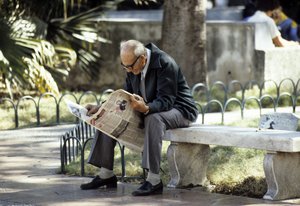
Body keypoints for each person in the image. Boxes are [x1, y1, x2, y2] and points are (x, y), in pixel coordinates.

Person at [80, 40, 198, 196]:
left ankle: (154, 180)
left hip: (180, 110)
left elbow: (167, 100)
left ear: (143, 58)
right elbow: (125, 96)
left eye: (130, 66)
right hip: (151, 109)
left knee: (153, 119)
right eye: (125, 67)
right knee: (108, 115)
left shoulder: (165, 63)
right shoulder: (131, 68)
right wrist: (101, 107)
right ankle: (106, 174)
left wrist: (147, 108)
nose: (128, 70)